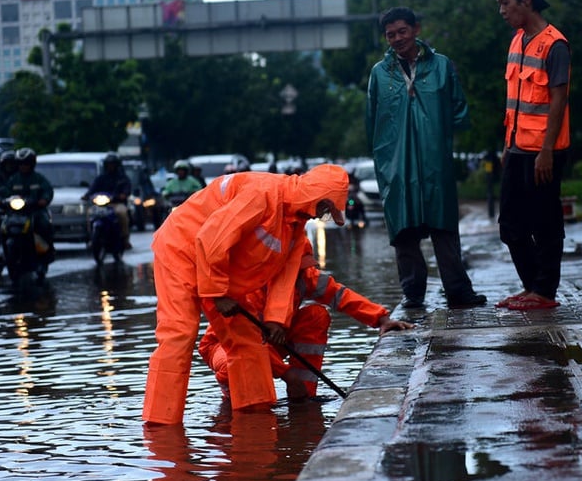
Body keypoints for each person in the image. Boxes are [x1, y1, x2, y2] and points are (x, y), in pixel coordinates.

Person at [142, 164, 353, 424]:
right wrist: (218, 293)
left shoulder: (295, 226)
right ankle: (160, 425)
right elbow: (211, 238)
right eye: (325, 208)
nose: (322, 216)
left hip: (219, 265)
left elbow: (283, 276)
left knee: (248, 342)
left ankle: (256, 419)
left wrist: (275, 320)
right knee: (179, 335)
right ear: (316, 196)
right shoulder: (262, 194)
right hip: (181, 249)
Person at [365, 6, 486, 311]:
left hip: (435, 160)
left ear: (416, 29)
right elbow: (372, 121)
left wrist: (435, 132)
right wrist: (386, 154)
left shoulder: (441, 66)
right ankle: (412, 294)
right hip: (395, 163)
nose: (397, 39)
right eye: (390, 34)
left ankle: (459, 292)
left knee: (444, 228)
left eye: (402, 31)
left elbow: (459, 109)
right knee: (403, 233)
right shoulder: (380, 74)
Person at [197, 239, 413, 402]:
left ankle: (304, 396)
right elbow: (246, 339)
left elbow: (340, 295)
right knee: (234, 364)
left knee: (316, 316)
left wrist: (381, 319)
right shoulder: (253, 286)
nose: (303, 272)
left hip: (271, 341)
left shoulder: (304, 276)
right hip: (228, 346)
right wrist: (287, 374)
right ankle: (238, 403)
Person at [494, 0, 571, 311]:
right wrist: (506, 146)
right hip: (515, 149)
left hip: (544, 151)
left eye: (505, 3)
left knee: (545, 222)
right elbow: (516, 100)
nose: (501, 10)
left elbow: (558, 101)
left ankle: (545, 292)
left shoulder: (555, 44)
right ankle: (532, 287)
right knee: (510, 224)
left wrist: (546, 152)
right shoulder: (517, 41)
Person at [5, 147, 55, 256]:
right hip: (16, 213)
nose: (23, 166)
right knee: (2, 226)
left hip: (35, 211)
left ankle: (47, 254)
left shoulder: (38, 178)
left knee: (44, 225)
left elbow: (48, 190)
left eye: (26, 163)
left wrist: (44, 199)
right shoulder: (13, 179)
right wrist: (0, 200)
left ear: (32, 164)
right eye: (21, 163)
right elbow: (5, 193)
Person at [83, 152, 133, 249]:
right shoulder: (101, 178)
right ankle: (91, 238)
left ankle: (125, 239)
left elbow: (127, 189)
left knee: (122, 213)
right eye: (109, 164)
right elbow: (93, 188)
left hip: (117, 204)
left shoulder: (122, 178)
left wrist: (123, 195)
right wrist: (86, 195)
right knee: (90, 213)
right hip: (101, 205)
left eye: (112, 164)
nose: (110, 166)